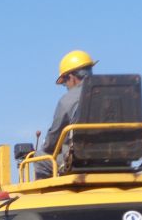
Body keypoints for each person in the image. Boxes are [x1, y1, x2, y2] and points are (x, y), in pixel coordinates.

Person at [36, 50, 98, 178]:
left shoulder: (68, 100)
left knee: (38, 159)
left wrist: (45, 149)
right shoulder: (120, 93)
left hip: (80, 162)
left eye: (64, 82)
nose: (66, 86)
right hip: (120, 160)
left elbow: (52, 142)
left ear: (72, 77)